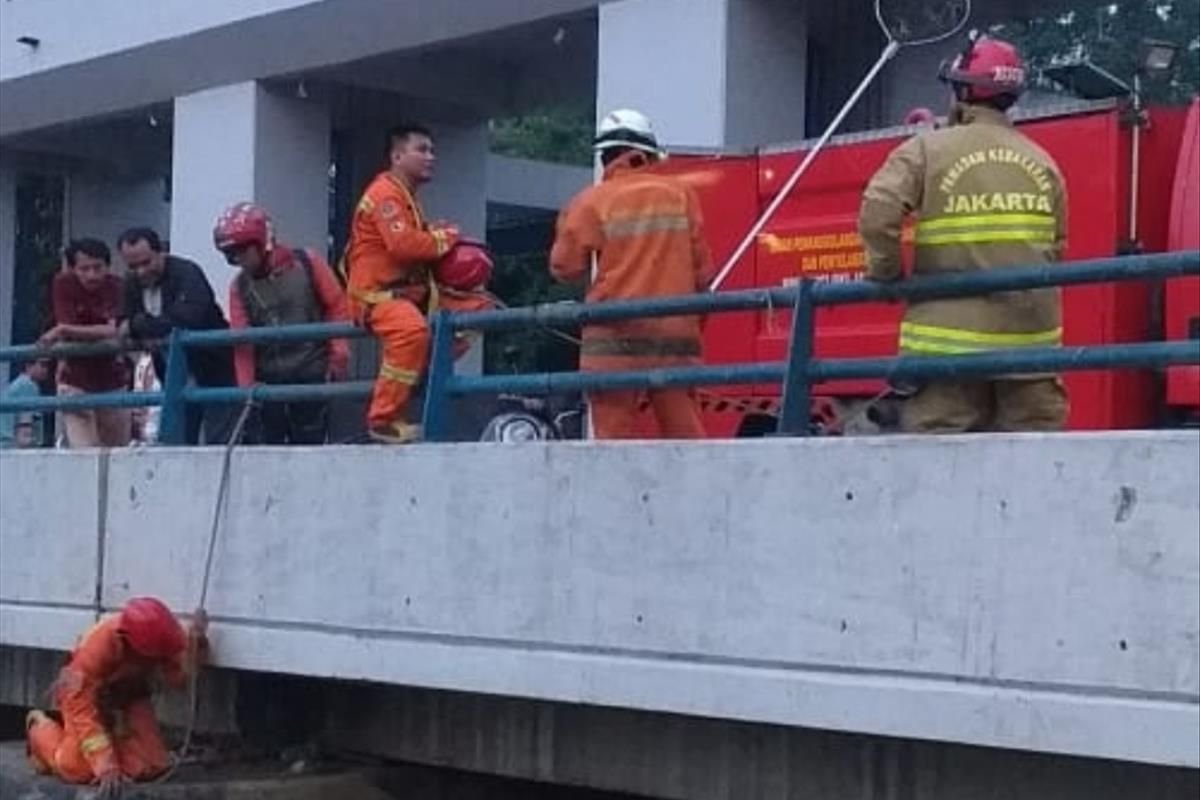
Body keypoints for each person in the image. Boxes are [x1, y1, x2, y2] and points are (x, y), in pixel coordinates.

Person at [858, 34, 1068, 433]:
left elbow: (877, 212)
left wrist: (886, 273)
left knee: (944, 467)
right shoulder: (1044, 163)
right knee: (1032, 468)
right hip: (1029, 347)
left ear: (962, 91)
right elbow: (1056, 252)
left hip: (947, 348)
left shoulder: (925, 150)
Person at [549, 108, 715, 439]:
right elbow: (703, 274)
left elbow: (564, 268)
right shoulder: (680, 194)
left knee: (613, 443)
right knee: (685, 437)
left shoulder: (590, 201)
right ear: (648, 153)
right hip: (673, 335)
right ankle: (694, 491)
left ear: (606, 157)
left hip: (612, 337)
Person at [344, 123, 493, 444]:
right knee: (410, 330)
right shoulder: (385, 193)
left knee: (479, 308)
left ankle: (423, 368)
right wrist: (445, 237)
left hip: (408, 294)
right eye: (422, 150)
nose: (431, 157)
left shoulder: (405, 196)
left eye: (432, 150)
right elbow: (404, 245)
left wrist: (432, 234)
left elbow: (413, 242)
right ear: (397, 156)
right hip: (377, 297)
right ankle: (382, 420)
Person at [26, 597, 208, 796]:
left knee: (153, 765)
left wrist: (196, 643)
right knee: (75, 769)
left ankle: (113, 750)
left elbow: (177, 679)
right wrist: (105, 765)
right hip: (83, 700)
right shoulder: (97, 646)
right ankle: (40, 732)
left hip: (128, 695)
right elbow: (79, 704)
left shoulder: (162, 637)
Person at [214, 202, 350, 445]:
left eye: (243, 250)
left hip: (313, 373)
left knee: (312, 441)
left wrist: (338, 356)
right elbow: (241, 342)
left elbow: (337, 305)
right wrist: (246, 390)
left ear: (262, 243)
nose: (239, 259)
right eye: (231, 254)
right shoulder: (239, 287)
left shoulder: (308, 263)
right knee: (269, 446)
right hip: (268, 382)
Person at [116, 227, 237, 445]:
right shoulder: (131, 284)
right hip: (171, 375)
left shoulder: (187, 272)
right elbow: (121, 325)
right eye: (133, 266)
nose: (141, 272)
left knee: (219, 444)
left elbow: (190, 317)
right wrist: (140, 329)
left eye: (146, 262)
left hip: (214, 369)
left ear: (161, 251)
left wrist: (140, 325)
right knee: (179, 444)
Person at [40, 239, 132, 448]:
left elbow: (116, 330)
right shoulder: (63, 284)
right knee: (84, 454)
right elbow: (108, 330)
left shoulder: (118, 286)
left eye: (98, 267)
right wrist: (71, 329)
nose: (92, 275)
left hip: (113, 380)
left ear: (107, 267)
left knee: (118, 454)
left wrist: (64, 330)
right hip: (75, 379)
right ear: (73, 269)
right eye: (84, 269)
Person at [0, 358, 52, 448]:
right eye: (43, 365)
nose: (46, 370)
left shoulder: (18, 384)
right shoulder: (27, 385)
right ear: (28, 366)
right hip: (11, 444)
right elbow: (27, 425)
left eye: (47, 366)